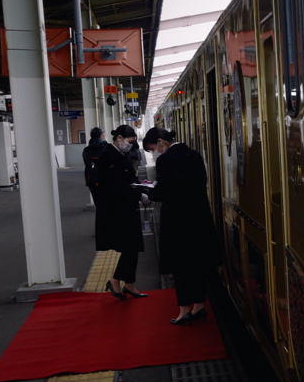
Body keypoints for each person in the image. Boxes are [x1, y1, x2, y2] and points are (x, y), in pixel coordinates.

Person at [142, 126, 218, 325]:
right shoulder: (194, 155)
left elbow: (162, 194)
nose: (154, 153)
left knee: (180, 267)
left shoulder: (165, 161)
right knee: (197, 264)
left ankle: (184, 309)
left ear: (161, 142)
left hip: (177, 222)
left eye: (152, 148)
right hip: (199, 218)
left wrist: (146, 192)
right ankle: (199, 306)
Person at [97, 125, 148, 299]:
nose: (131, 146)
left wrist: (143, 186)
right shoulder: (108, 155)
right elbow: (117, 184)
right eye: (130, 142)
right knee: (130, 246)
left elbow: (129, 179)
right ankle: (115, 280)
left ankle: (129, 284)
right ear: (119, 138)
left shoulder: (119, 154)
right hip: (118, 209)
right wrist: (139, 194)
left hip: (127, 205)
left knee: (133, 246)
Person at [82, 128, 107, 198]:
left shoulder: (86, 150)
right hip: (107, 179)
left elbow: (86, 162)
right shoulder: (107, 148)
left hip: (91, 178)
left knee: (97, 201)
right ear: (101, 136)